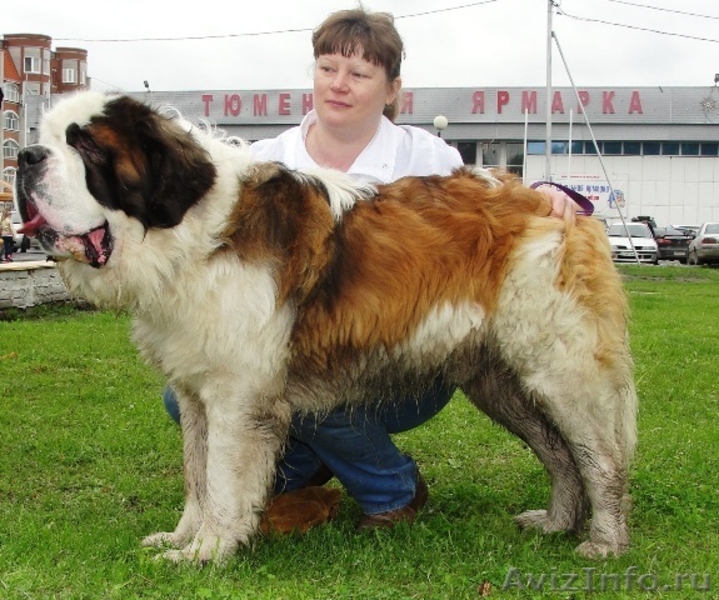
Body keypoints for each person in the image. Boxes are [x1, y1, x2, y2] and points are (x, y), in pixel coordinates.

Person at [164, 7, 577, 531]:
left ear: (391, 90)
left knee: (301, 373)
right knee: (199, 390)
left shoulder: (428, 158)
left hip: (405, 360)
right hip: (290, 351)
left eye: (359, 74)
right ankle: (301, 464)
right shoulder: (266, 163)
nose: (339, 85)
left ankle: (392, 490)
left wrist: (540, 193)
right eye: (327, 67)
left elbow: (489, 201)